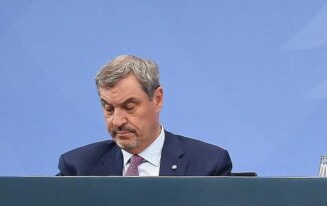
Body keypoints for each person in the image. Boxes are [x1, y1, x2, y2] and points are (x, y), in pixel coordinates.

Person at [57, 55, 233, 176]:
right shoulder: (78, 168)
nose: (117, 121)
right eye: (109, 108)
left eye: (129, 107)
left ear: (157, 99)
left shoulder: (208, 165)